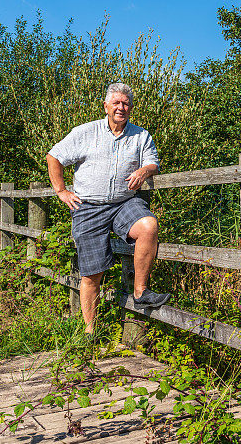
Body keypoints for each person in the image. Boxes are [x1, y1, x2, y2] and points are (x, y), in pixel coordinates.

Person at [46, 82, 170, 335]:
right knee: (92, 273)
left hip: (124, 202)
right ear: (106, 106)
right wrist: (61, 191)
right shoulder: (86, 132)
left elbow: (153, 163)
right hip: (88, 206)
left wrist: (144, 170)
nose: (121, 108)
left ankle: (140, 292)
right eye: (116, 103)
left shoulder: (141, 135)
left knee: (149, 226)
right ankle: (90, 332)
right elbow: (54, 156)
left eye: (125, 103)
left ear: (131, 108)